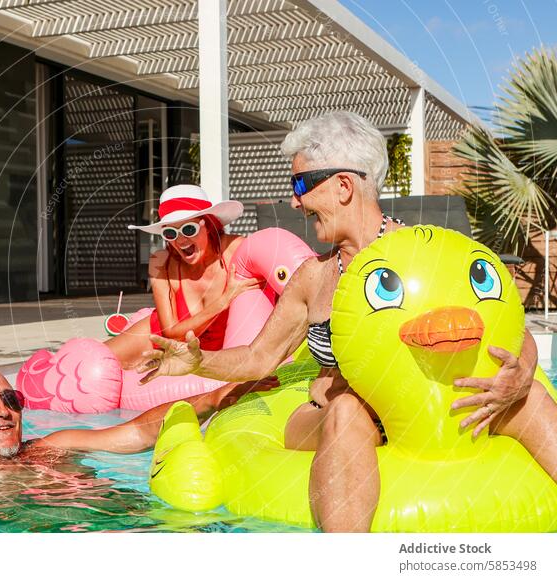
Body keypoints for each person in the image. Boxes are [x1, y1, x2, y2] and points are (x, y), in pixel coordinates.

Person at [137, 111, 557, 532]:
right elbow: (258, 357)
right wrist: (195, 361)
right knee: (348, 408)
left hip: (428, 411)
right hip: (333, 413)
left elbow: (507, 324)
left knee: (534, 395)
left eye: (300, 185)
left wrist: (519, 374)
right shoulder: (314, 277)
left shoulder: (425, 254)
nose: (295, 202)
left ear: (342, 186)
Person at [0, 277, 277, 476]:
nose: (3, 410)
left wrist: (215, 397)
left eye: (11, 399)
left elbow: (137, 433)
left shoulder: (53, 445)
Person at [105, 184, 260, 368]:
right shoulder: (162, 263)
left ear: (208, 224)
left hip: (215, 355)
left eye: (188, 229)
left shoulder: (236, 250)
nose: (180, 240)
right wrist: (224, 301)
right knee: (91, 362)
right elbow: (171, 333)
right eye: (170, 232)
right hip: (163, 341)